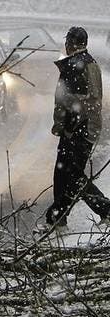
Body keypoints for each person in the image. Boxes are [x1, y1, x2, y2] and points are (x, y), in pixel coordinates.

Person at [44, 26, 110, 231]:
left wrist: (67, 127)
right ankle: (58, 219)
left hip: (78, 129)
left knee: (70, 174)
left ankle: (105, 210)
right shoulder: (89, 63)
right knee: (66, 174)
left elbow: (77, 102)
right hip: (85, 128)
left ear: (70, 44)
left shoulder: (75, 66)